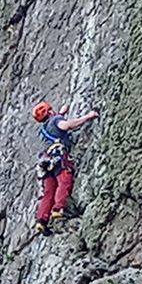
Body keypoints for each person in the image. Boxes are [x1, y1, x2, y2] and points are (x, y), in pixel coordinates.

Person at [31, 101, 99, 235]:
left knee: (49, 192)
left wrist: (62, 113)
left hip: (45, 162)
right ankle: (58, 209)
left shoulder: (42, 131)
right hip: (58, 158)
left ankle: (41, 221)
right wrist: (88, 116)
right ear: (50, 112)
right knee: (64, 182)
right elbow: (67, 125)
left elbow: (55, 127)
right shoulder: (56, 120)